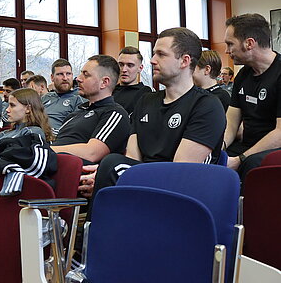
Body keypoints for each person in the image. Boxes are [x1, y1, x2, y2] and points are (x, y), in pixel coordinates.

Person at [91, 28, 226, 198]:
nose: (152, 60)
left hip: (182, 194)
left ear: (184, 61)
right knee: (105, 169)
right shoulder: (146, 101)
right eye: (154, 54)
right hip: (144, 184)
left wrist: (113, 172)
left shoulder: (207, 105)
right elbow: (132, 159)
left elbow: (180, 170)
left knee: (112, 164)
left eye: (161, 54)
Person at [51, 55, 131, 195]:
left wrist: (47, 150)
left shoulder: (114, 113)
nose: (78, 78)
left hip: (75, 177)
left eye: (86, 75)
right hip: (52, 167)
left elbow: (92, 153)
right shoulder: (75, 114)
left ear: (104, 82)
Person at [222, 13, 281, 180]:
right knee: (214, 158)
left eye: (230, 44)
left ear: (249, 43)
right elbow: (231, 122)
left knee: (250, 163)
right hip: (248, 145)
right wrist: (220, 146)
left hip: (274, 149)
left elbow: (280, 133)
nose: (227, 51)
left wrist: (240, 159)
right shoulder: (243, 75)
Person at [0, 88, 56, 195]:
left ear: (28, 109)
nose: (7, 110)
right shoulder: (4, 134)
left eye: (12, 105)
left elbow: (22, 162)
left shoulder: (33, 133)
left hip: (1, 184)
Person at [41, 58, 84, 135]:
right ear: (52, 77)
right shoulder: (45, 97)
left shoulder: (78, 98)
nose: (65, 78)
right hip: (37, 133)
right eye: (60, 74)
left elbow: (75, 128)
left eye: (68, 74)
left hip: (58, 137)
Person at [112, 46, 153, 117]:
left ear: (140, 68)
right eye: (121, 65)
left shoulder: (145, 94)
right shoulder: (109, 91)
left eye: (130, 65)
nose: (124, 69)